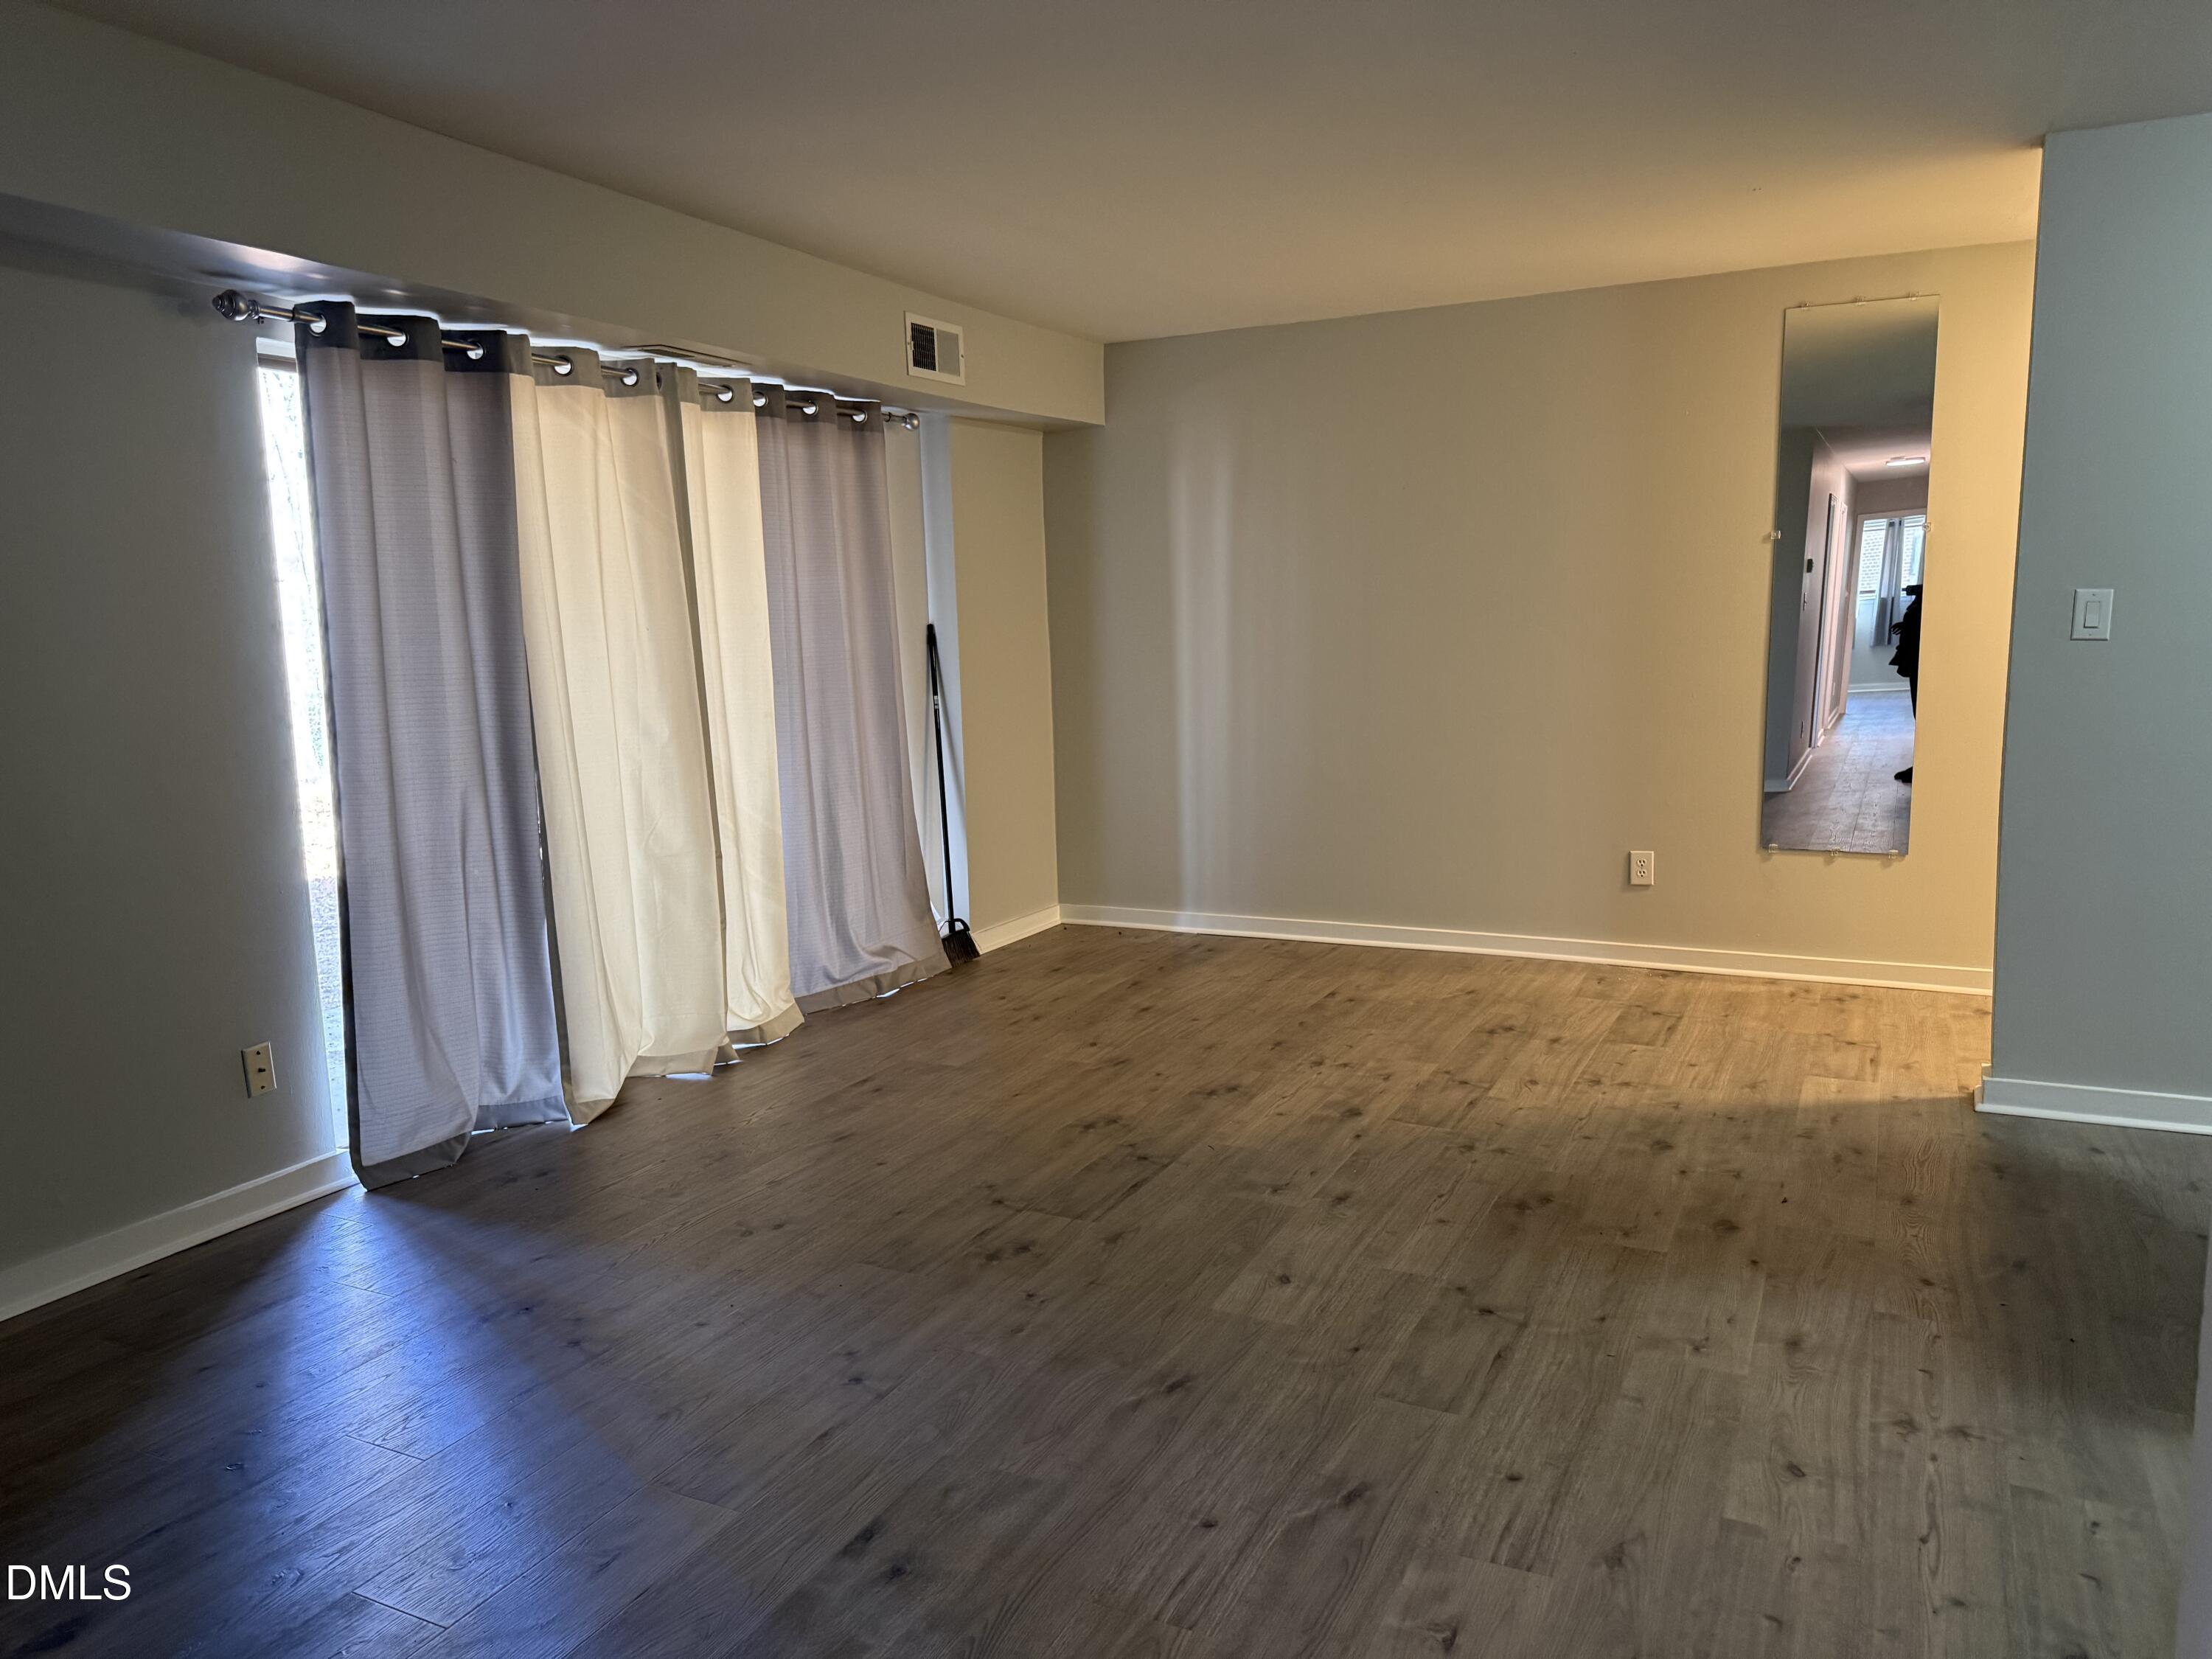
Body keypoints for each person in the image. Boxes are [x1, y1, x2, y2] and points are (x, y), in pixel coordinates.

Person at [1890, 583, 1922, 784]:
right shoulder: (1923, 598)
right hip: (1915, 661)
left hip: (1920, 661)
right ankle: (1920, 764)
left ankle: (1922, 766)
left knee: (1922, 712)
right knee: (1919, 713)